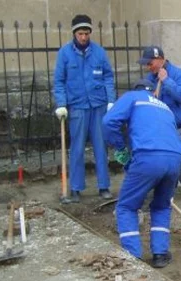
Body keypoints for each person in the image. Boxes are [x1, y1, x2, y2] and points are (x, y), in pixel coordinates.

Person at [101, 79, 181, 268]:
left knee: (126, 207)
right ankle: (160, 254)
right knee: (162, 206)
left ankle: (133, 256)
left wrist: (120, 149)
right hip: (175, 158)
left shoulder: (132, 97)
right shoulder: (164, 106)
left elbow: (108, 121)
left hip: (148, 156)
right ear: (152, 92)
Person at [53, 14, 115, 203]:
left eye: (87, 33)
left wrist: (111, 100)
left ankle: (104, 186)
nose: (84, 37)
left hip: (98, 105)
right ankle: (76, 188)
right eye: (80, 33)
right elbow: (59, 81)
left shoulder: (99, 52)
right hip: (77, 106)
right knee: (77, 149)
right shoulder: (64, 53)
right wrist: (61, 103)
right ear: (74, 33)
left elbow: (108, 77)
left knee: (100, 148)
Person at [138, 45, 181, 202]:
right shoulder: (149, 79)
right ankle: (167, 191)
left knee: (180, 160)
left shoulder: (178, 74)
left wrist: (166, 80)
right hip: (160, 127)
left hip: (178, 125)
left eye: (150, 63)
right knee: (163, 160)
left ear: (160, 60)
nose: (148, 66)